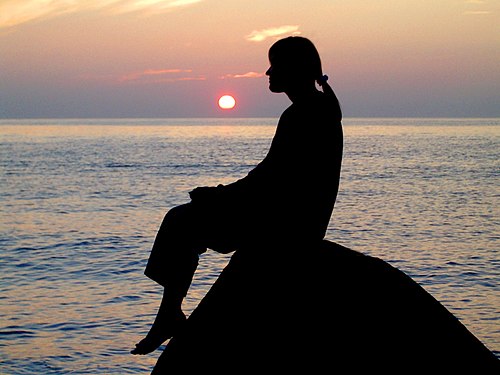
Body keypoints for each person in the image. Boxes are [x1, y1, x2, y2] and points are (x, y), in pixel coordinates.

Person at [131, 36, 343, 355]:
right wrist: (220, 197)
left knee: (181, 220)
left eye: (275, 65)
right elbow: (271, 178)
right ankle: (169, 313)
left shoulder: (306, 114)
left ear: (294, 69)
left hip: (287, 225)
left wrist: (217, 196)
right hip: (288, 217)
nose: (267, 72)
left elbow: (272, 181)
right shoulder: (314, 109)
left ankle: (169, 314)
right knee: (185, 218)